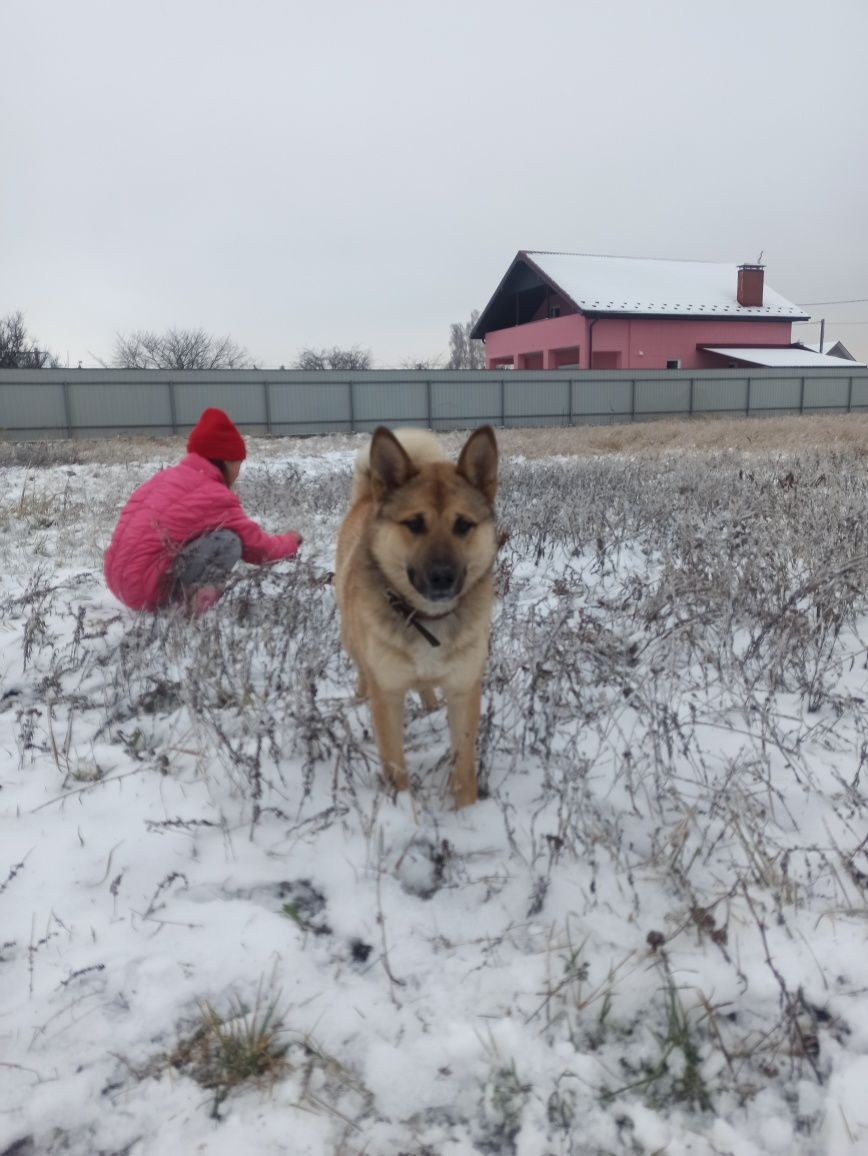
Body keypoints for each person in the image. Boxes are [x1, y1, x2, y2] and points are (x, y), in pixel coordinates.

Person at [104, 407, 302, 614]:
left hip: (119, 583)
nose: (238, 472)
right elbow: (259, 550)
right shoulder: (216, 495)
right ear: (225, 461)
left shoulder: (166, 478)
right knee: (229, 541)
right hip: (146, 591)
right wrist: (290, 541)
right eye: (238, 463)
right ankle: (188, 606)